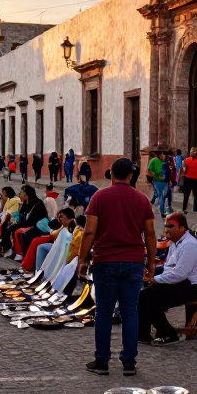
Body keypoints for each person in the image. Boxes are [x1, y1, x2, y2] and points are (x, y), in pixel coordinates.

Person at [78, 157, 157, 376]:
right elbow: (150, 234)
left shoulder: (99, 197)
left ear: (111, 174)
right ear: (131, 176)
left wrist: (82, 259)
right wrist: (150, 262)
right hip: (133, 261)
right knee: (130, 311)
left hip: (105, 260)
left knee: (103, 311)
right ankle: (129, 362)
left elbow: (90, 231)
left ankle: (102, 361)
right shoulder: (142, 200)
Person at [138, 212, 197, 345]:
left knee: (148, 296)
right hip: (180, 282)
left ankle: (168, 333)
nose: (166, 230)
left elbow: (179, 273)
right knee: (145, 294)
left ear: (182, 228)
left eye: (170, 226)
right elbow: (168, 268)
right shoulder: (175, 243)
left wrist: (154, 279)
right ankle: (143, 334)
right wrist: (152, 274)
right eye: (165, 226)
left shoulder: (190, 245)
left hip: (193, 286)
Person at [180, 147, 197, 213]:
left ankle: (184, 208)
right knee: (195, 195)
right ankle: (195, 210)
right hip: (196, 179)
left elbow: (184, 170)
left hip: (188, 179)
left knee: (186, 194)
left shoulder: (186, 160)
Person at [147, 149, 169, 218]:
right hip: (157, 181)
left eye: (164, 154)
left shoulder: (166, 161)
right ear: (159, 155)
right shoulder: (154, 160)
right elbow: (149, 170)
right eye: (162, 154)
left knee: (156, 195)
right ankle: (162, 213)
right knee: (161, 196)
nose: (164, 156)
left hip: (165, 181)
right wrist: (155, 175)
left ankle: (148, 206)